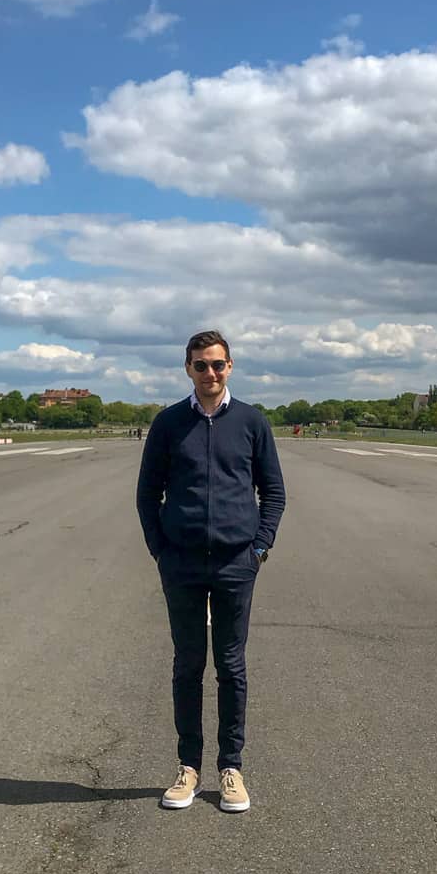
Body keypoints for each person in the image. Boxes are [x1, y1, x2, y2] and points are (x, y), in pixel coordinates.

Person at [137, 330, 286, 814]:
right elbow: (147, 494)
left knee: (231, 666)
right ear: (187, 369)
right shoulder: (168, 424)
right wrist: (161, 549)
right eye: (200, 365)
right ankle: (187, 766)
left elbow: (274, 493)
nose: (210, 373)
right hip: (180, 563)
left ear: (231, 366)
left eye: (218, 365)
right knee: (187, 665)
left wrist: (259, 549)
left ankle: (231, 767)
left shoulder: (251, 422)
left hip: (235, 564)